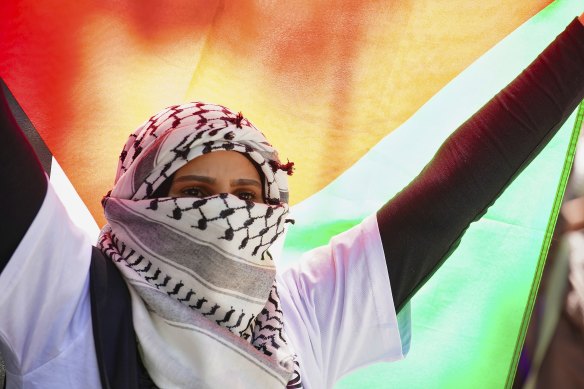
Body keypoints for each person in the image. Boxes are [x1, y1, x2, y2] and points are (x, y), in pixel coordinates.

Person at [1, 13, 584, 389]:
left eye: (247, 197)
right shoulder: (67, 297)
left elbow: (457, 190)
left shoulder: (305, 316)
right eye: (195, 195)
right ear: (133, 204)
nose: (224, 217)